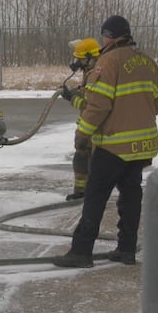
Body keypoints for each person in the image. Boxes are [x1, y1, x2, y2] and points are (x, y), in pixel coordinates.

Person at [53, 15, 158, 268]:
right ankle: (126, 250)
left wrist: (83, 134)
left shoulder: (108, 62)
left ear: (109, 36)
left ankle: (81, 252)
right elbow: (155, 104)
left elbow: (98, 106)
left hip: (113, 146)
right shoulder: (148, 62)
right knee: (131, 197)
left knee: (95, 197)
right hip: (141, 146)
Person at [60, 37, 101, 201]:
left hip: (95, 128)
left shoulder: (98, 73)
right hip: (86, 126)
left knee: (95, 162)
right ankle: (81, 191)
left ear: (91, 58)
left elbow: (90, 106)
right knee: (80, 159)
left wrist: (72, 98)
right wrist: (77, 92)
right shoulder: (90, 72)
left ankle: (93, 193)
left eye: (81, 59)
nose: (77, 62)